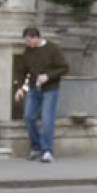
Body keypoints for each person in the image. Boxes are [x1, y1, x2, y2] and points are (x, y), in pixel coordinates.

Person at [15, 26, 69, 163]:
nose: (27, 44)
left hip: (50, 89)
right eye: (26, 41)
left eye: (28, 41)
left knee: (47, 120)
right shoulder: (28, 51)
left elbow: (64, 68)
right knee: (28, 116)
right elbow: (22, 71)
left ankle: (47, 151)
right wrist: (20, 88)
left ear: (36, 38)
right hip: (33, 88)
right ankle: (36, 147)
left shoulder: (52, 49)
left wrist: (48, 76)